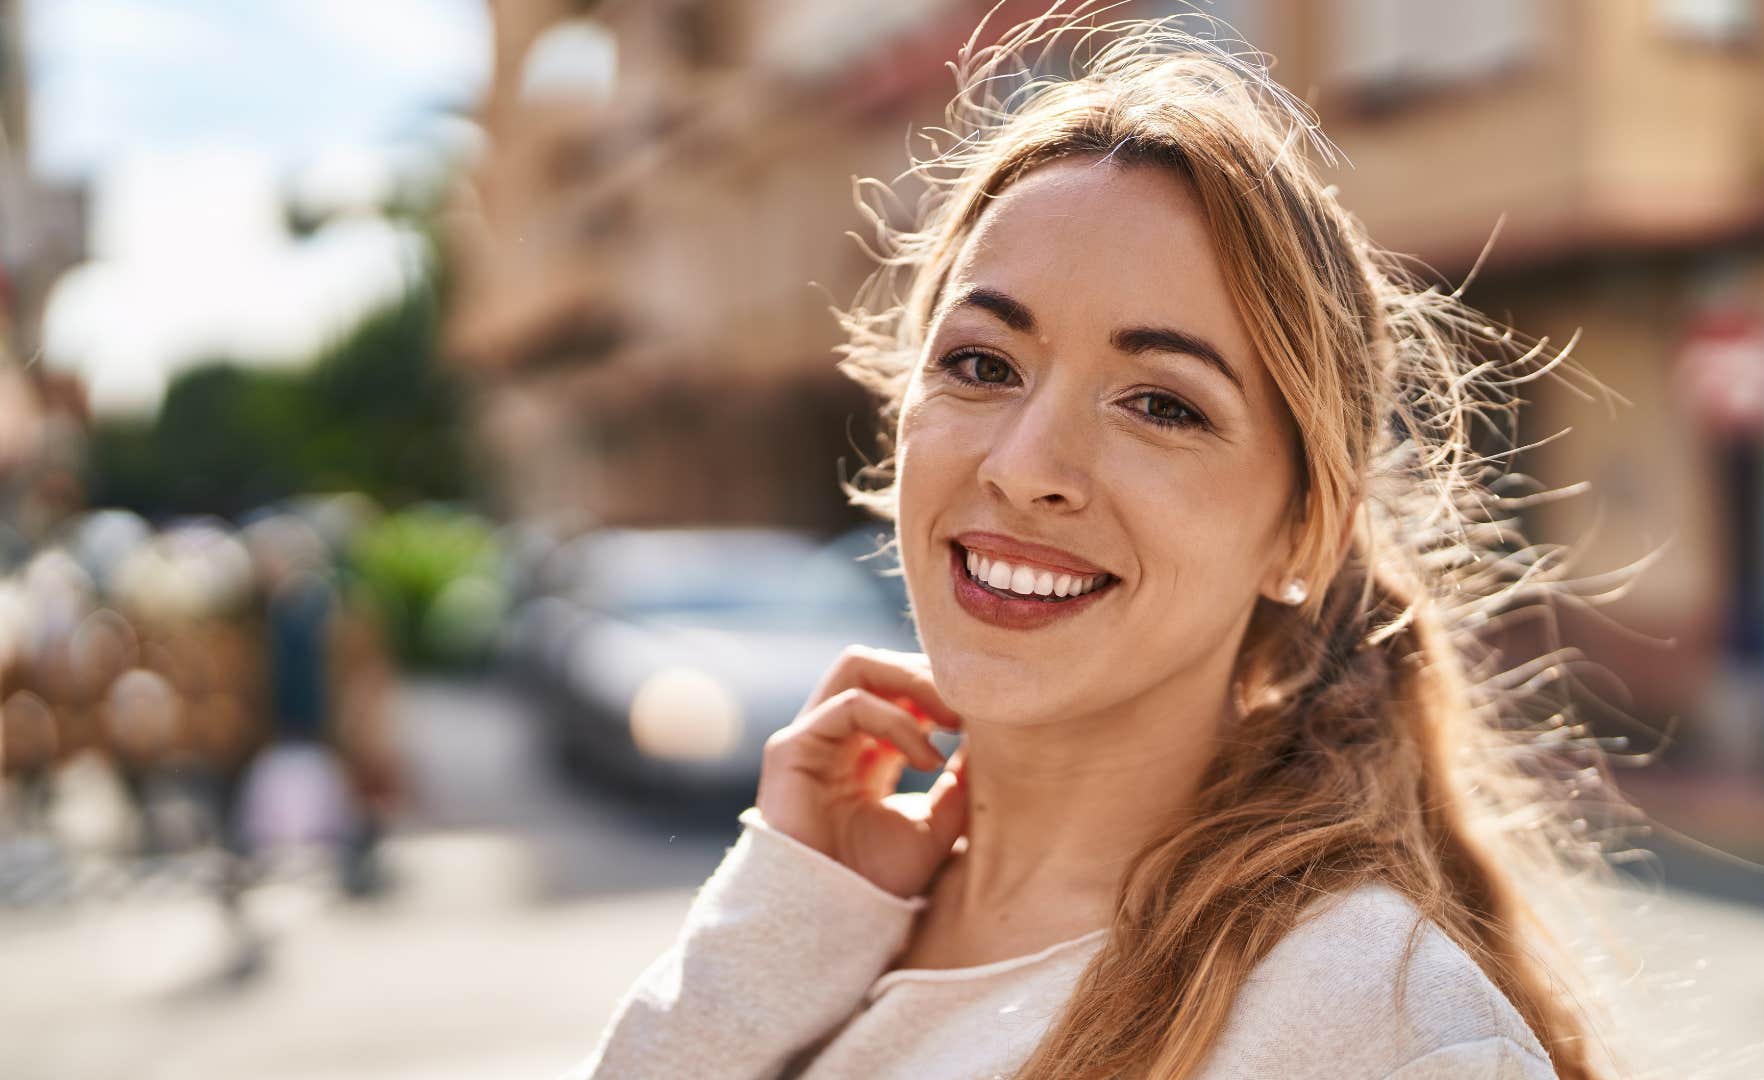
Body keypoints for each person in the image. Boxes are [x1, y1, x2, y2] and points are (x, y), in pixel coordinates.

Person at [570, 8, 1639, 1079]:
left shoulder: (1370, 1023)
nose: (1026, 466)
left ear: (1303, 535)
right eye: (983, 365)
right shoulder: (825, 914)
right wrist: (780, 924)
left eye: (1161, 405)